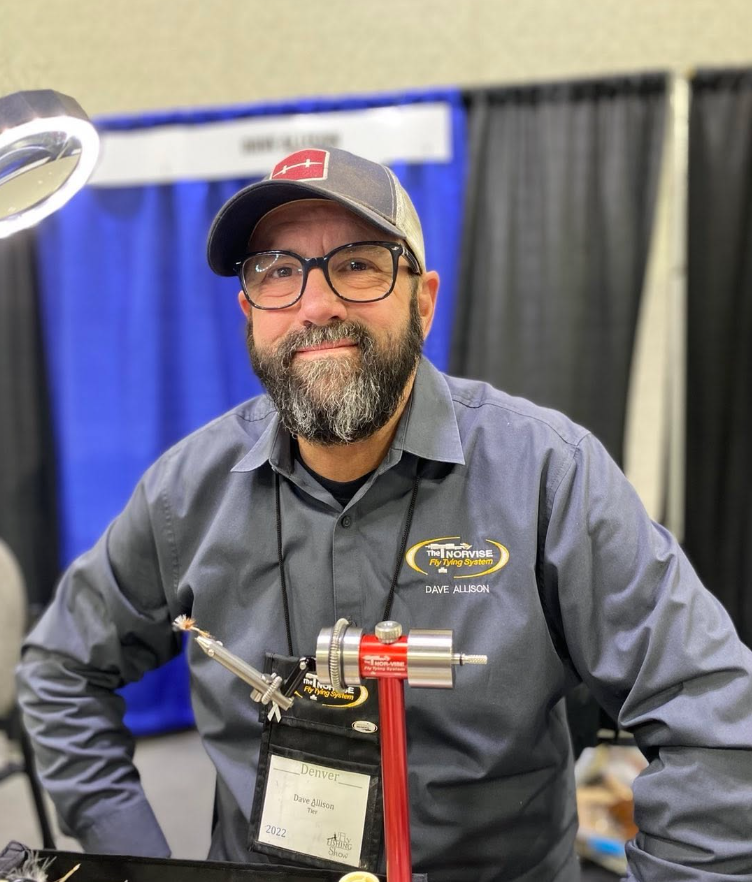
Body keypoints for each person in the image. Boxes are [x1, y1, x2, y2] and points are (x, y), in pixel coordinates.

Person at [16, 147, 752, 882]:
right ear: (248, 313)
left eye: (358, 263)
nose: (315, 304)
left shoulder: (549, 473)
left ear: (423, 300)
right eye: (276, 271)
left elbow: (716, 721)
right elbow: (60, 669)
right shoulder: (187, 490)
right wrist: (135, 862)